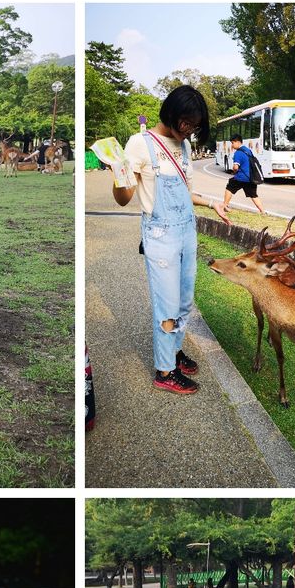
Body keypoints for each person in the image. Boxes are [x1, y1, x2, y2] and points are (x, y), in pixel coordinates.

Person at [112, 85, 215, 395]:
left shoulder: (183, 148)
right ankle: (164, 370)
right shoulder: (139, 144)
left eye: (194, 126)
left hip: (186, 231)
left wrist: (212, 203)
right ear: (171, 113)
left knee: (184, 300)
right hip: (160, 234)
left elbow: (186, 192)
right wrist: (119, 174)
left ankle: (175, 350)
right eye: (186, 123)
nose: (189, 131)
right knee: (167, 304)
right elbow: (122, 198)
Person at [220, 133, 265, 217]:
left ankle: (224, 205)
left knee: (229, 187)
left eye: (233, 143)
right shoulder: (248, 150)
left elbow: (236, 167)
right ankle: (262, 211)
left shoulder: (238, 153)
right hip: (251, 178)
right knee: (253, 195)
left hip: (241, 177)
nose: (232, 145)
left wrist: (233, 171)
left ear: (237, 142)